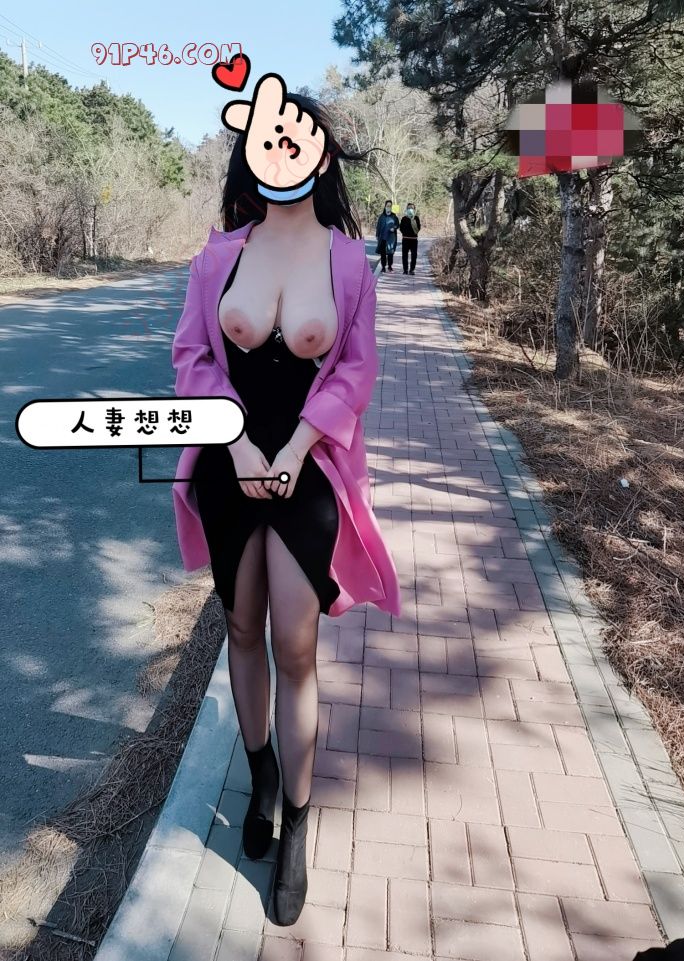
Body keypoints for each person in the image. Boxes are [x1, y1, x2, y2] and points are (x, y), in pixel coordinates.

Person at [170, 93, 401, 928]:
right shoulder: (218, 255)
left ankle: (297, 820)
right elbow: (192, 356)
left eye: (296, 139)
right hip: (229, 463)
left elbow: (356, 371)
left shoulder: (349, 262)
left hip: (308, 467)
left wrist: (296, 448)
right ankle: (261, 772)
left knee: (294, 645)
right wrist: (236, 446)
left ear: (322, 156)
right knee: (241, 627)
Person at [375, 200, 400, 272]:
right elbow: (378, 226)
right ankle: (383, 267)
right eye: (387, 206)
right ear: (385, 206)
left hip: (391, 238)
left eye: (390, 206)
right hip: (382, 237)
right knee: (383, 253)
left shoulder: (394, 216)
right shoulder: (381, 216)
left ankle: (389, 266)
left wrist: (394, 228)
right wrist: (377, 235)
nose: (389, 207)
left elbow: (397, 224)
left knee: (390, 252)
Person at [399, 203, 421, 275]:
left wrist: (412, 220)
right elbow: (401, 228)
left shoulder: (416, 218)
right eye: (409, 208)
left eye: (412, 208)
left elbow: (418, 229)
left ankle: (412, 270)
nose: (410, 209)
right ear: (406, 209)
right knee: (404, 255)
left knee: (414, 255)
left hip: (414, 240)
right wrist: (405, 233)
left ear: (414, 209)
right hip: (405, 239)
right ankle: (405, 270)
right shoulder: (404, 218)